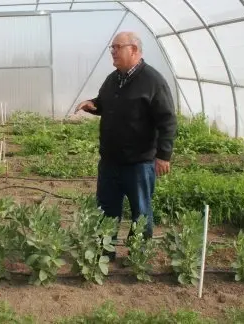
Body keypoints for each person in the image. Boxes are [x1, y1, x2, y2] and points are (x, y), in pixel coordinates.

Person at [75, 32, 177, 261]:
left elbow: (167, 120)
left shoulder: (153, 81)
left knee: (141, 212)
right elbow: (105, 103)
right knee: (106, 210)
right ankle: (104, 253)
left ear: (134, 50)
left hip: (139, 163)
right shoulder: (114, 79)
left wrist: (164, 155)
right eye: (111, 47)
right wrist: (93, 105)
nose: (112, 52)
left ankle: (138, 255)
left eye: (117, 47)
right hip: (110, 161)